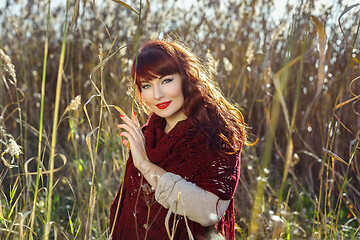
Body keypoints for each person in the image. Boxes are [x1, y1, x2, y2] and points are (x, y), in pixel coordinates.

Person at [110, 40, 246, 240]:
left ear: (185, 77)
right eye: (147, 85)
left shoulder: (217, 136)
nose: (157, 95)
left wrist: (145, 166)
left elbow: (209, 211)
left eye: (166, 80)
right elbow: (130, 212)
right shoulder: (147, 136)